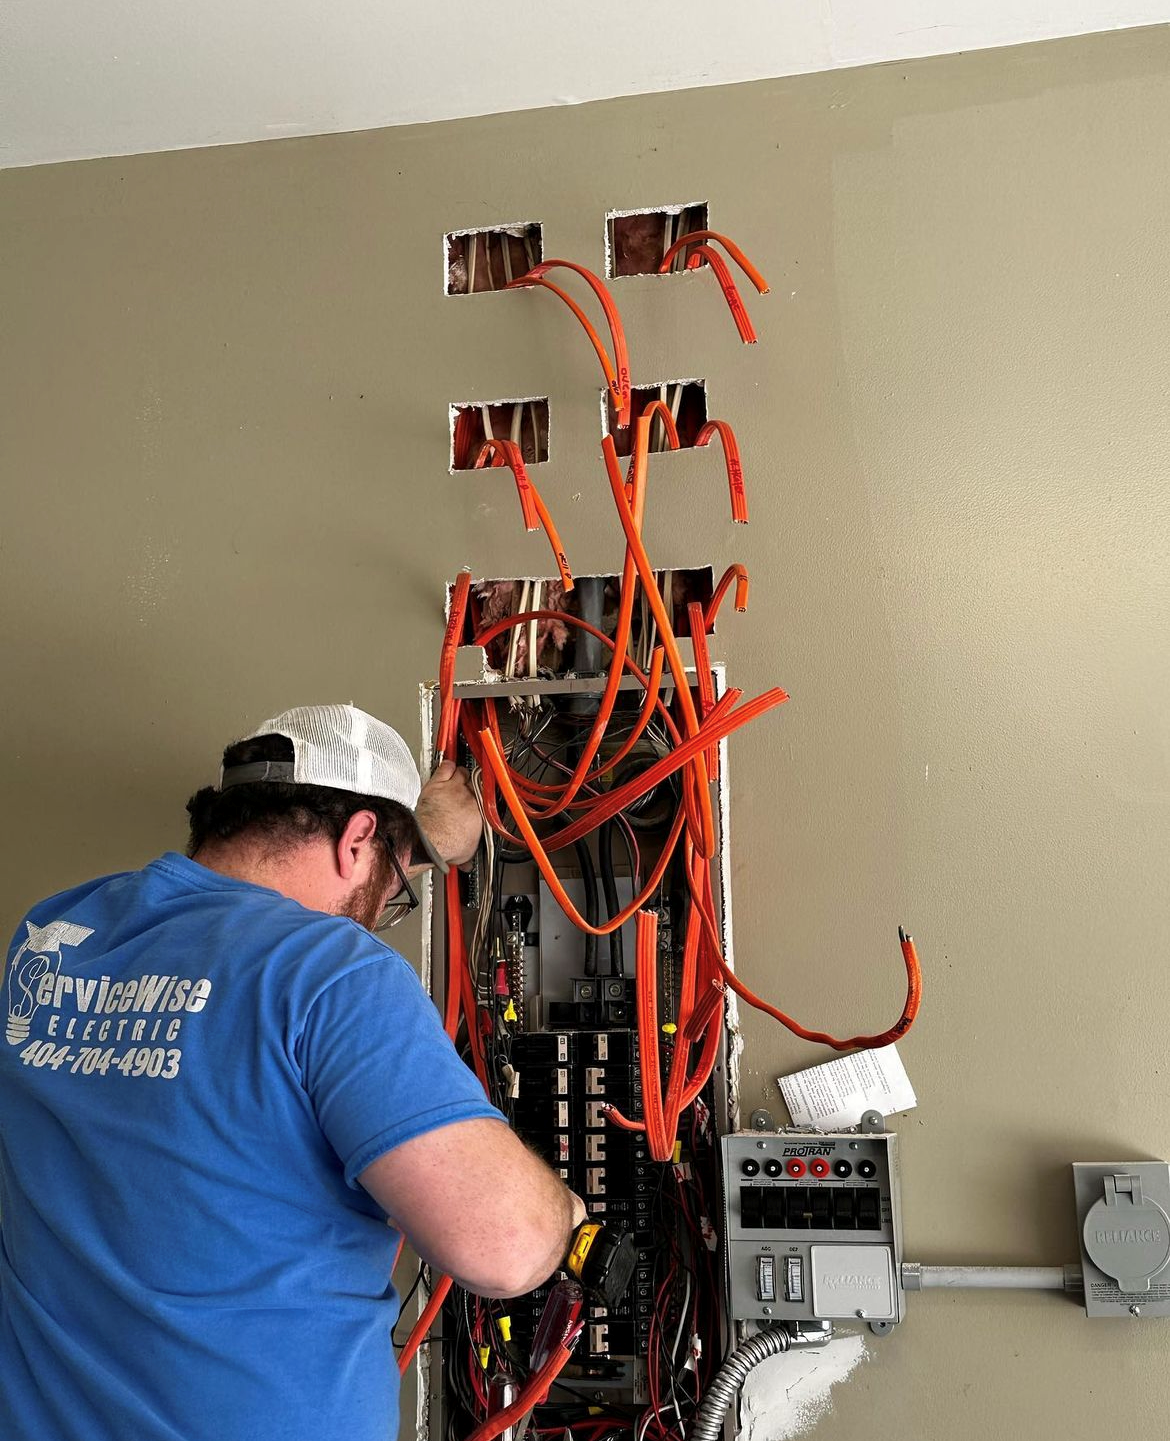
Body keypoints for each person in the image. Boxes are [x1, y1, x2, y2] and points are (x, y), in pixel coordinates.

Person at [0, 703, 584, 1441]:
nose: (378, 917)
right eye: (394, 893)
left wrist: (416, 824)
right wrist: (565, 1215)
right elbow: (505, 1247)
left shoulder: (54, 938)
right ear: (358, 838)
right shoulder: (330, 971)